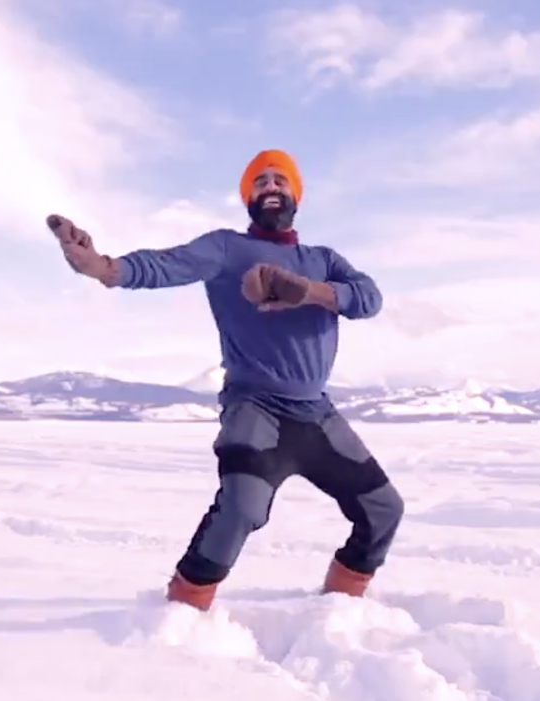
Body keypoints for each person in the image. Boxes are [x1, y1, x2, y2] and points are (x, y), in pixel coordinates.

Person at [45, 149, 405, 612]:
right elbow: (166, 264)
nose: (270, 186)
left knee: (384, 509)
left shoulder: (323, 259)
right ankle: (181, 609)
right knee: (242, 508)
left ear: (295, 194)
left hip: (318, 416)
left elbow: (369, 299)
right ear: (248, 198)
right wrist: (104, 268)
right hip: (256, 409)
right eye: (260, 182)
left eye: (279, 180)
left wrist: (308, 292)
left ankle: (341, 607)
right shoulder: (226, 248)